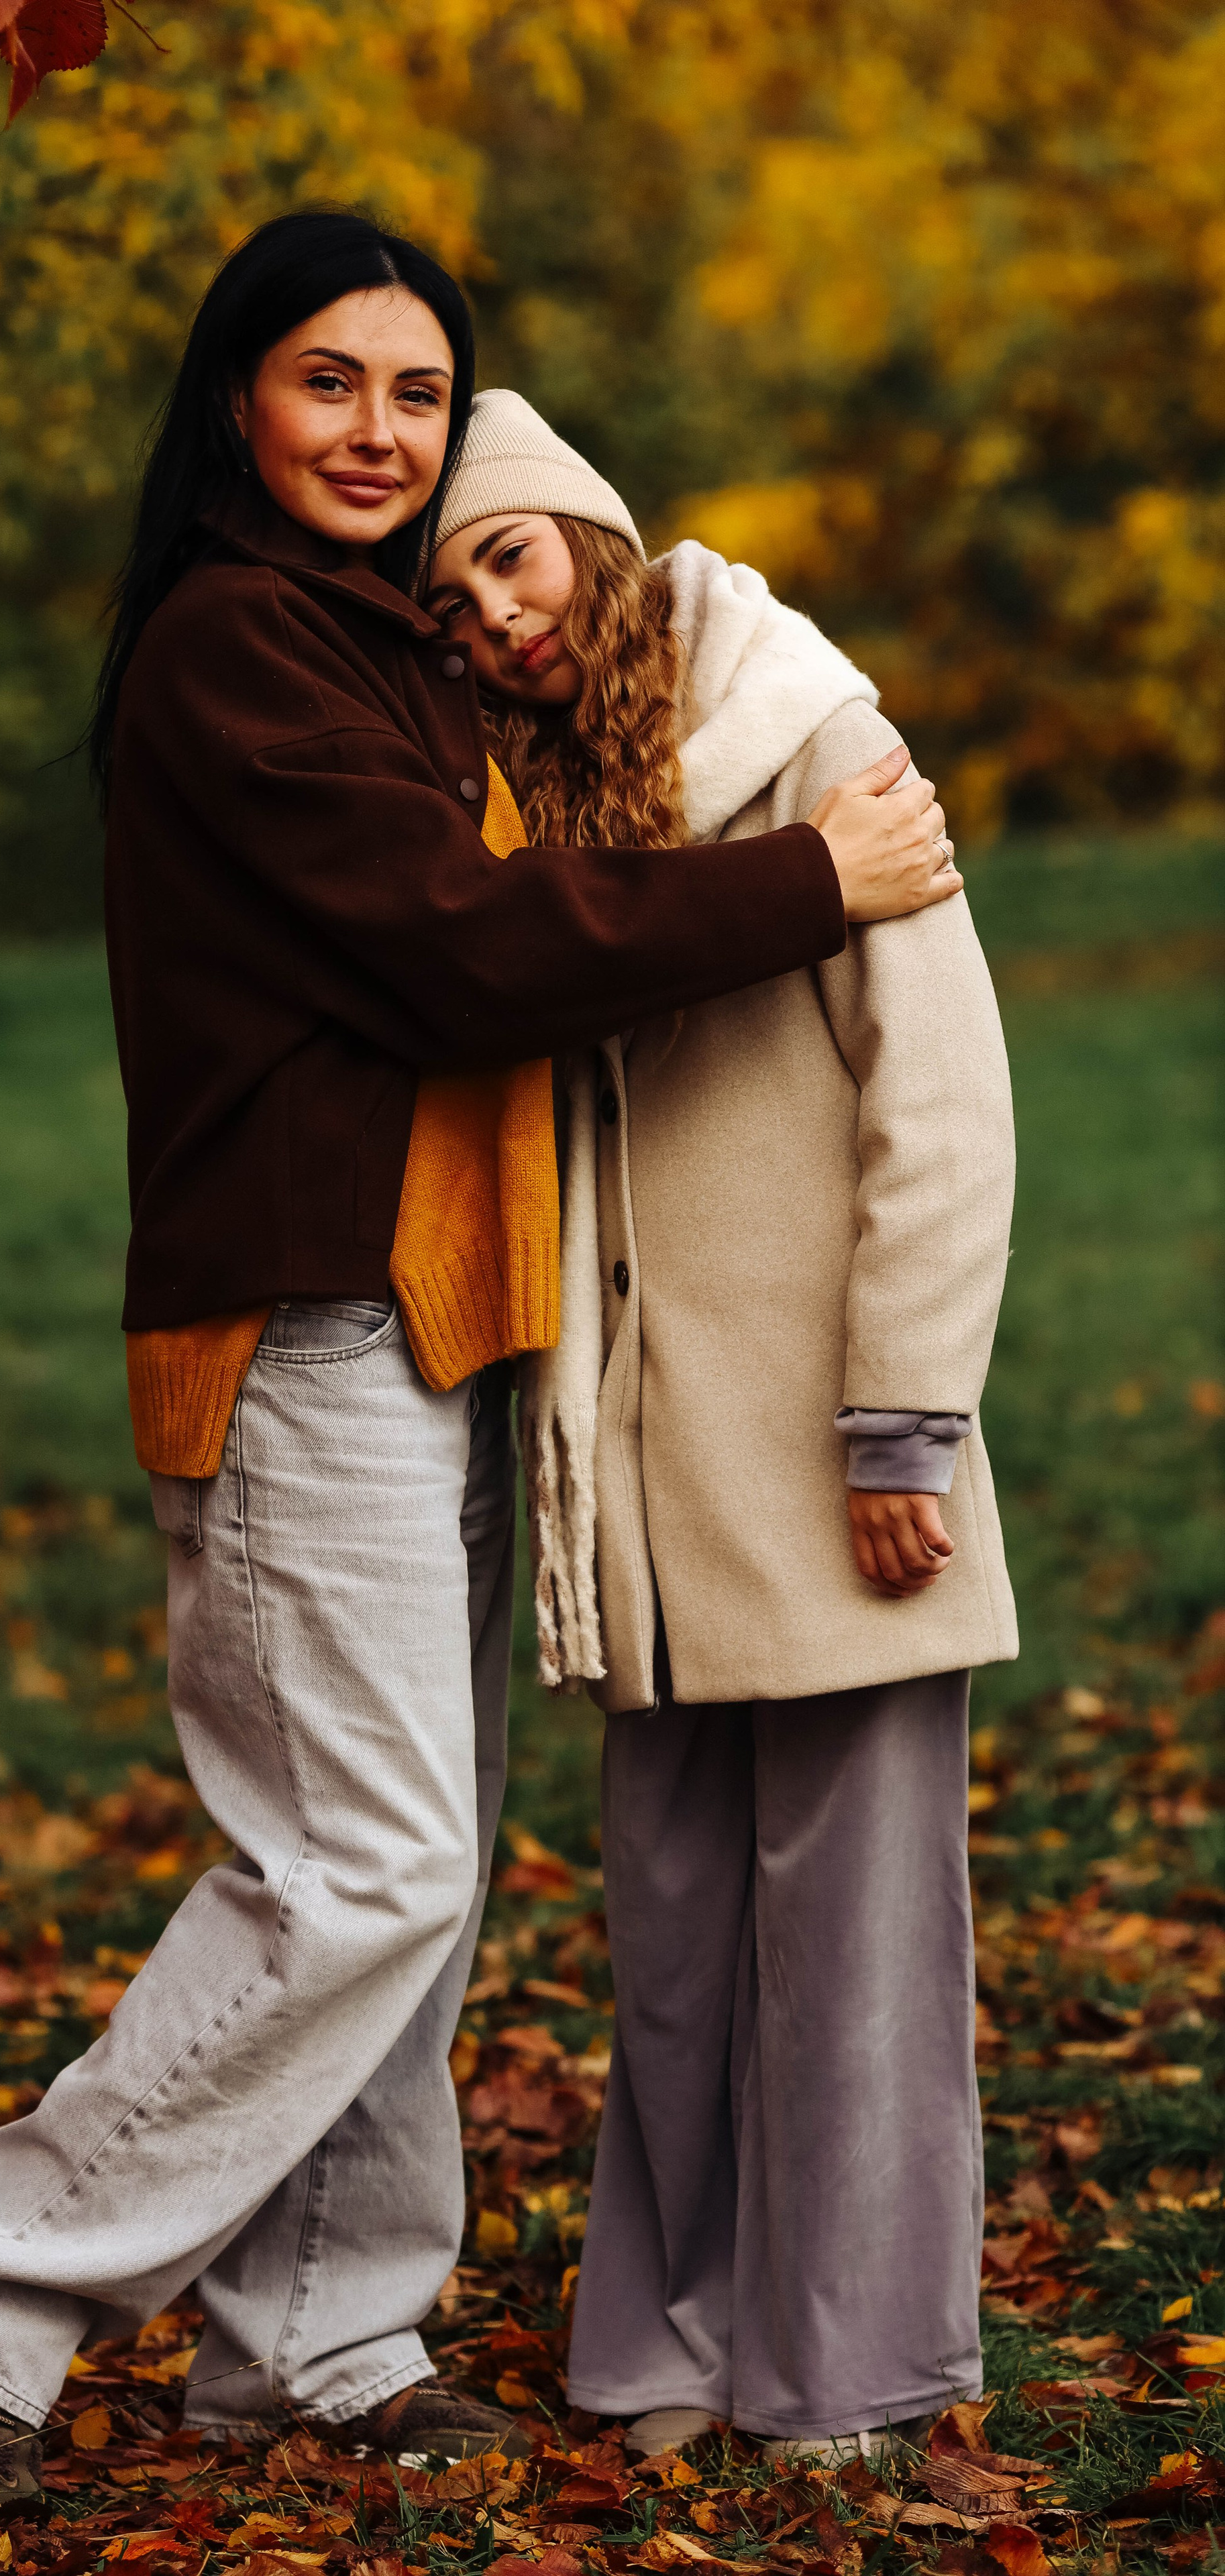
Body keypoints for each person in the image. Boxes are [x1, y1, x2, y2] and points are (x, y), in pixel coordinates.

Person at [0, 216, 962, 2507]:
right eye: (330, 382)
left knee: (404, 1882)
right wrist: (810, 880)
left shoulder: (386, 645)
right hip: (305, 1315)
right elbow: (464, 944)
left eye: (418, 395)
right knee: (367, 1863)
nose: (379, 432)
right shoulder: (242, 654)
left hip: (448, 1318)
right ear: (239, 399)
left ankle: (318, 2333)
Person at [425, 391, 1016, 2467]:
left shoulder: (823, 745)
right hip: (643, 1482)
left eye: (510, 556)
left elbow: (941, 1103)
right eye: (452, 595)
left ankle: (848, 2365)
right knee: (675, 1942)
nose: (494, 616)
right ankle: (670, 2340)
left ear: (591, 532)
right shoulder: (527, 816)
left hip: (839, 1455)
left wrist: (903, 1425)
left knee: (851, 1935)